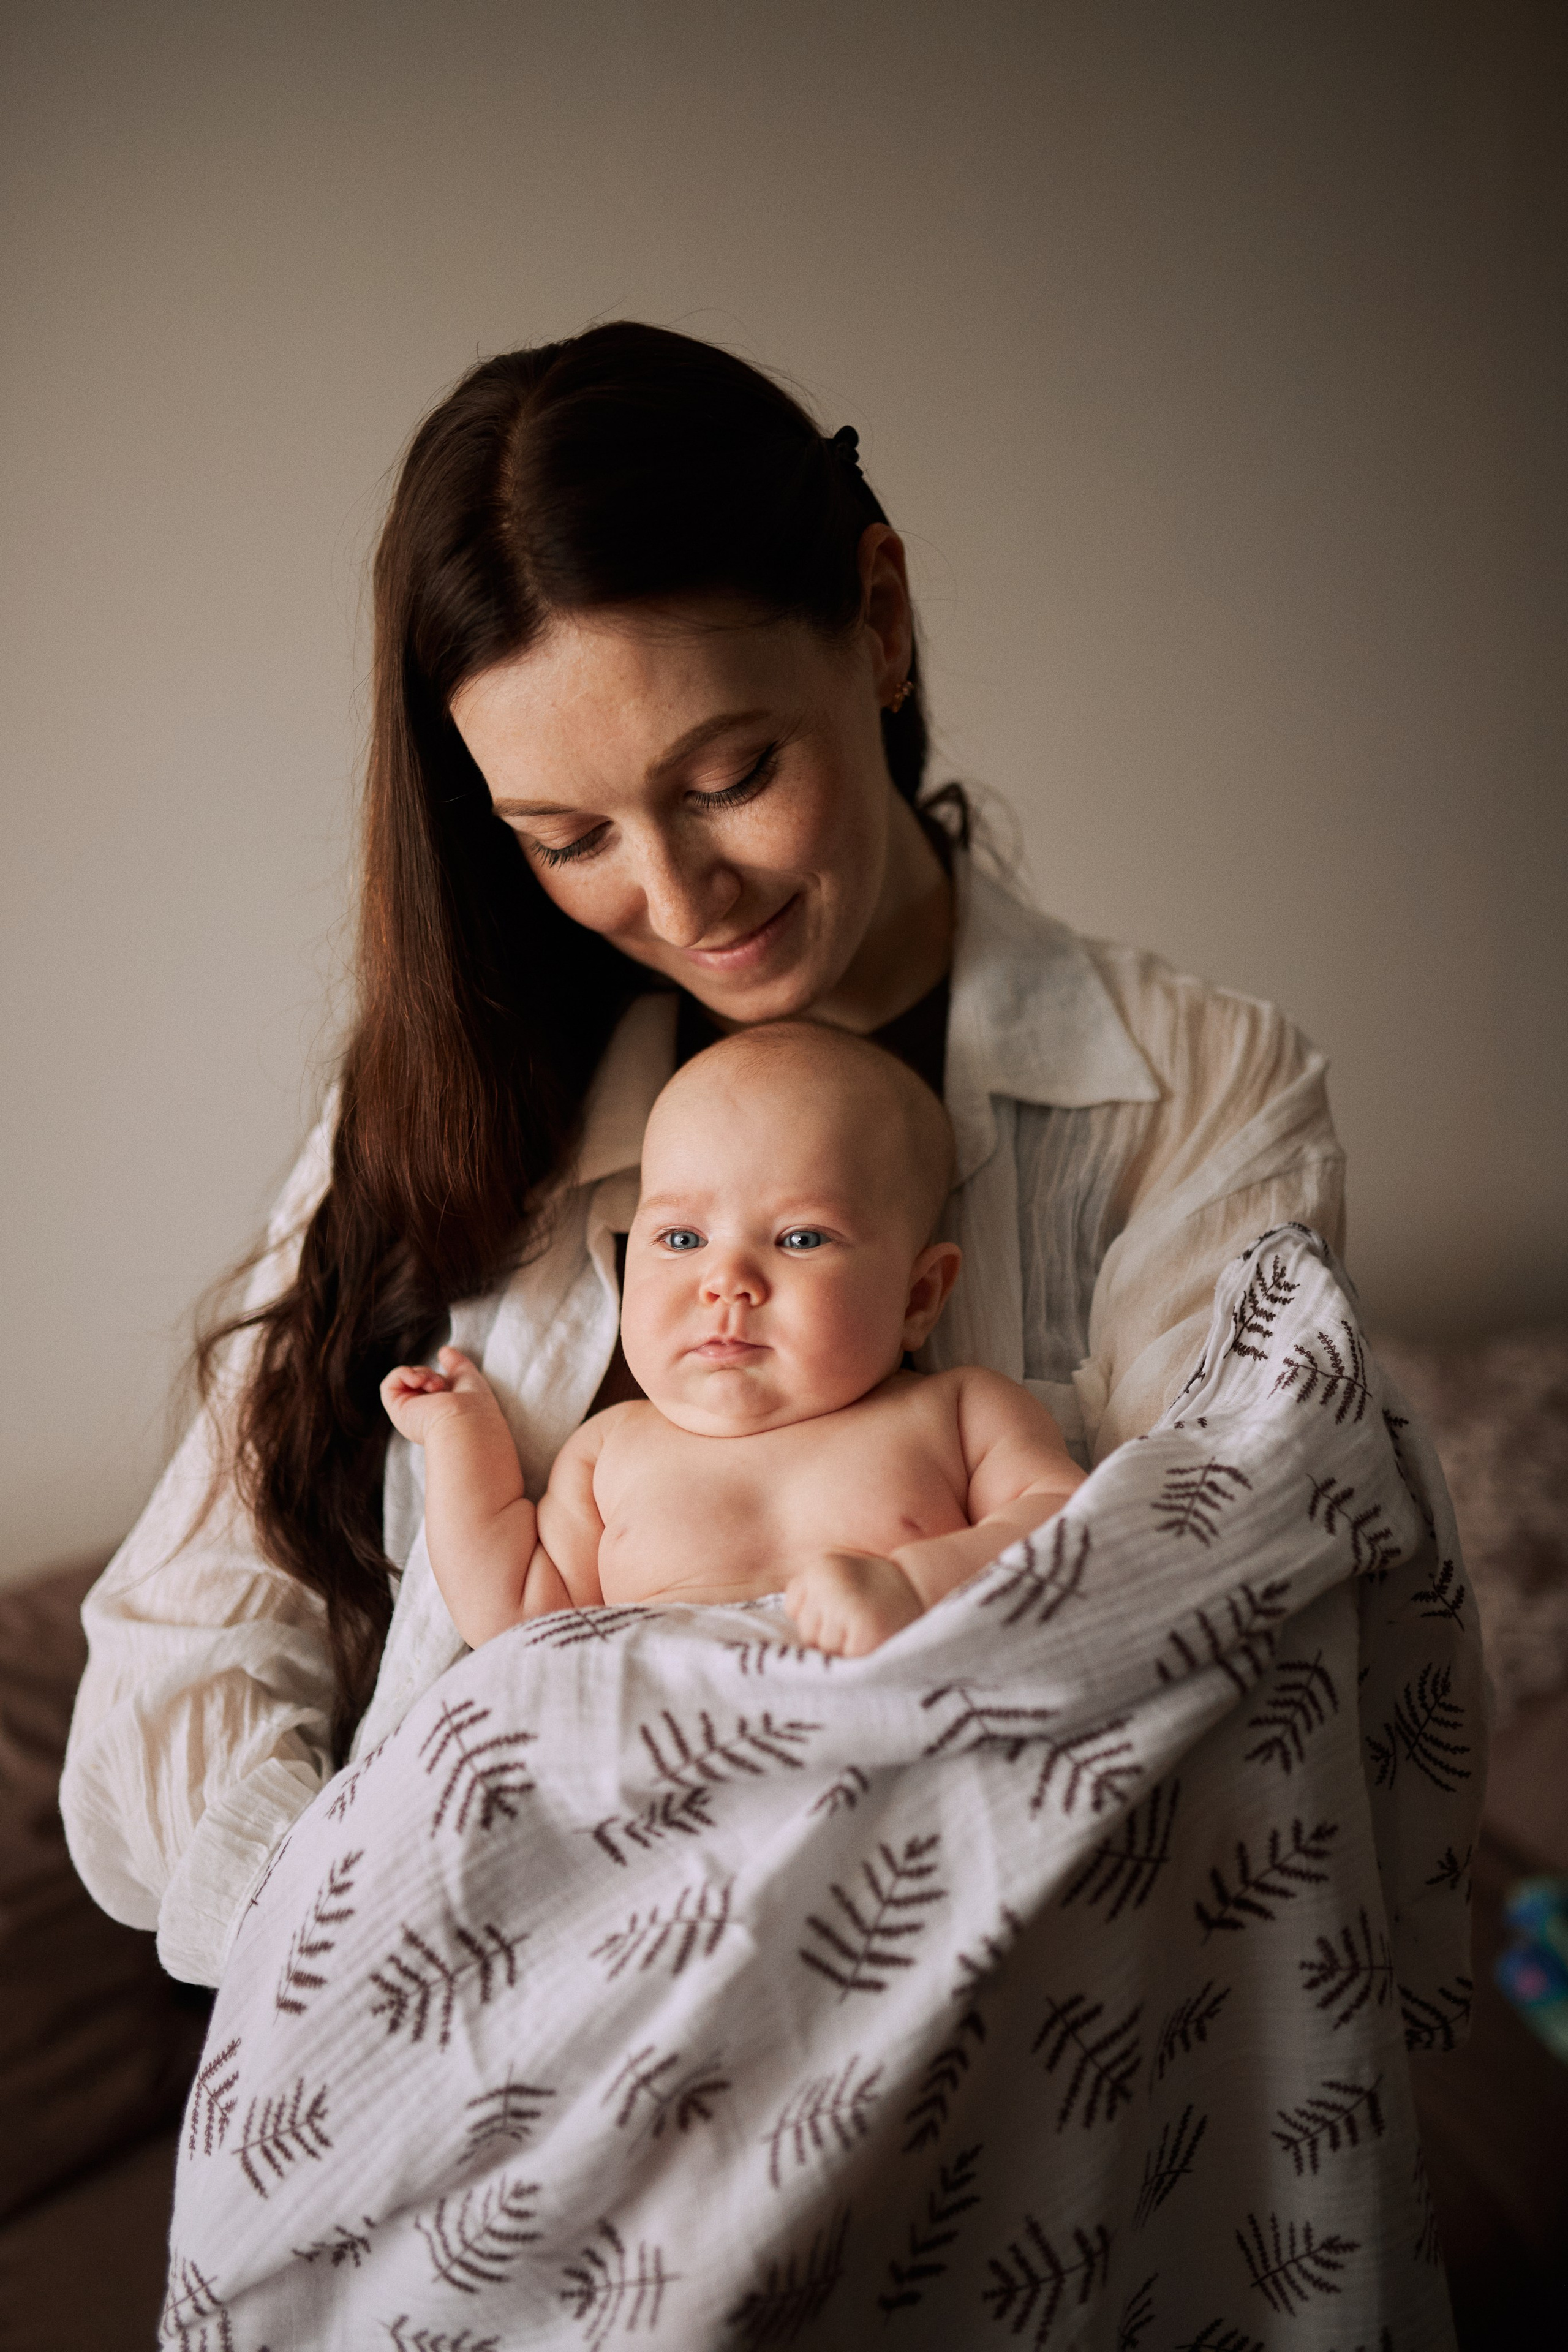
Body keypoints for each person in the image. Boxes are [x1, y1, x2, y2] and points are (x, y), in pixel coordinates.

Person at [60, 322, 1345, 1988]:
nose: (677, 903)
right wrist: (380, 1937)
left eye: (731, 776)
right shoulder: (450, 1107)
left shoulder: (1194, 1090)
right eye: (570, 839)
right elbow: (174, 1671)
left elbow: (1228, 1629)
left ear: (875, 622)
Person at [382, 1023, 1085, 1655]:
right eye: (682, 1238)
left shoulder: (958, 1414)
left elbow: (1072, 1524)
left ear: (919, 1296)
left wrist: (916, 1586)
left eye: (800, 1238)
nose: (726, 1281)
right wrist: (459, 1438)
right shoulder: (609, 1452)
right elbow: (515, 1617)